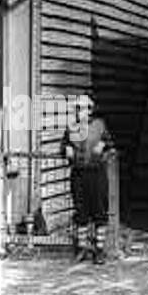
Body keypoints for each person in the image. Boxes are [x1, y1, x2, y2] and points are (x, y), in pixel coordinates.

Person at [62, 101, 112, 263]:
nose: (78, 111)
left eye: (81, 108)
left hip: (96, 174)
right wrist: (66, 149)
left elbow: (109, 144)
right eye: (77, 108)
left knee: (99, 211)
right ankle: (82, 249)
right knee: (81, 211)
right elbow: (64, 145)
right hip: (79, 173)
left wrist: (103, 145)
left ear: (89, 110)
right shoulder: (71, 127)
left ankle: (99, 250)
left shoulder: (99, 125)